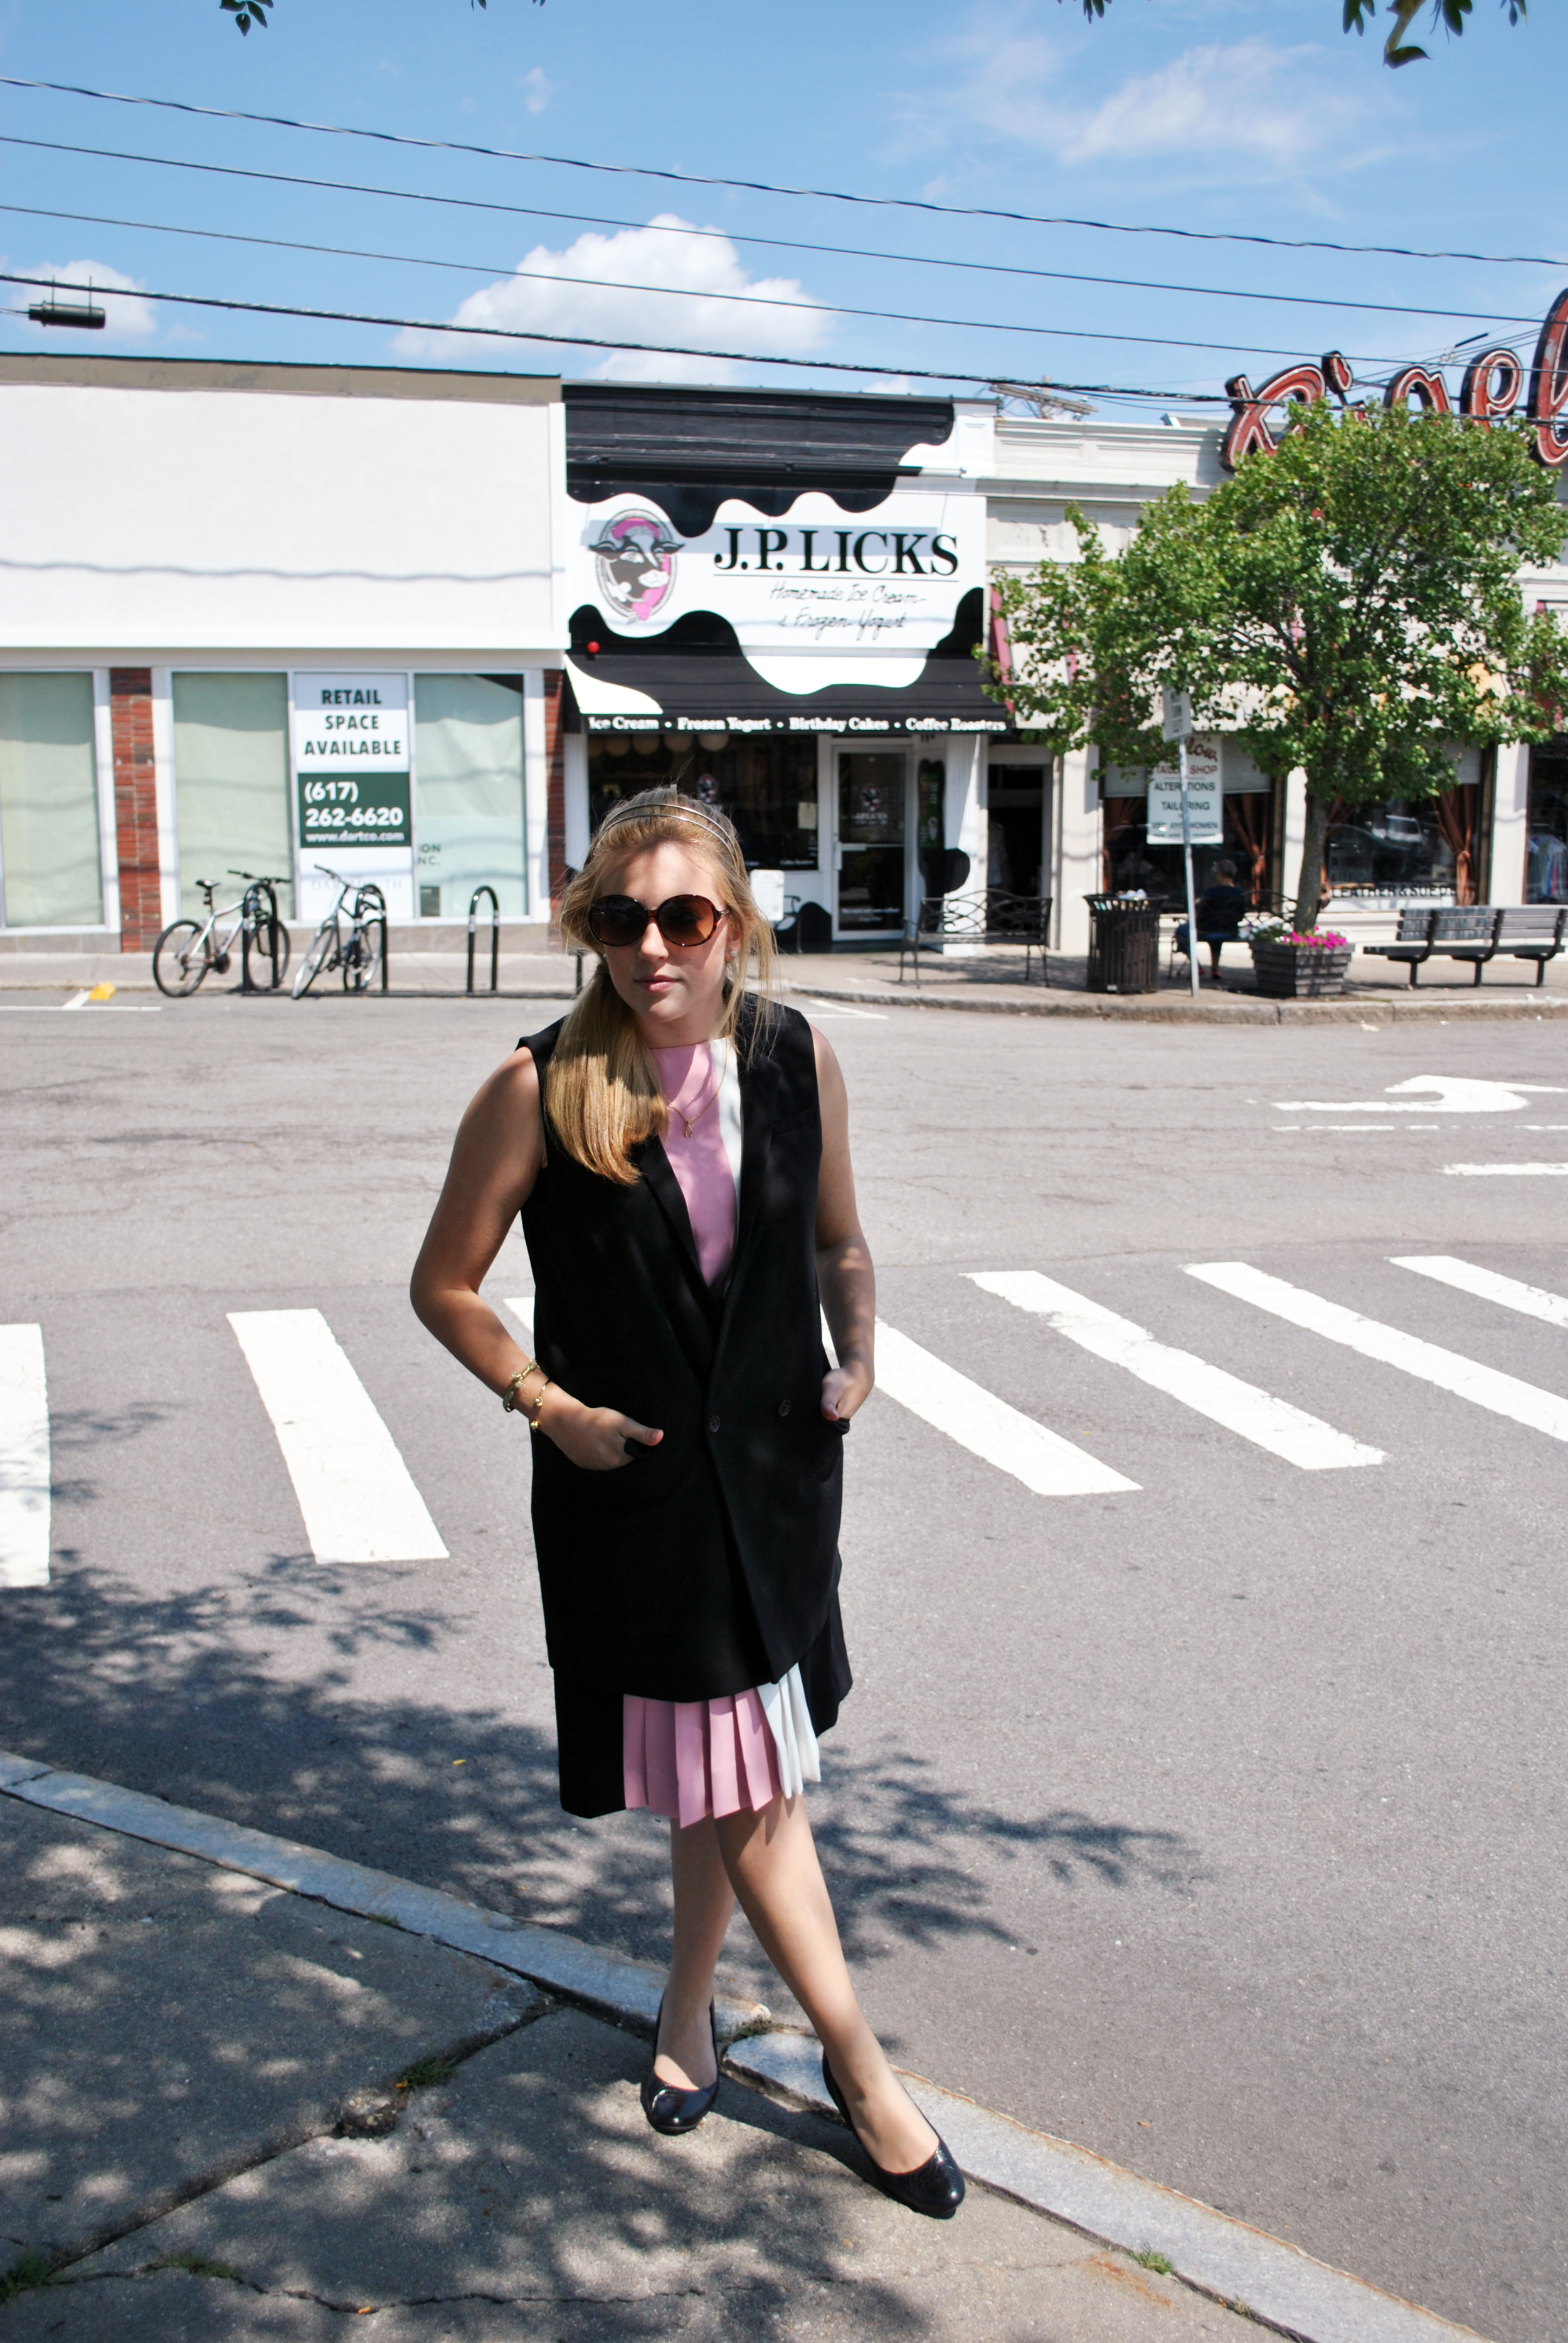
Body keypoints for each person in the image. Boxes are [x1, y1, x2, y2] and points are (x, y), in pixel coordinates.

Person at [410, 787, 964, 2221]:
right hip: (633, 1499)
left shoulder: (796, 1059)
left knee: (720, 1774)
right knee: (753, 1788)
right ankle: (861, 2066)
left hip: (778, 1487)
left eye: (684, 916)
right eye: (620, 918)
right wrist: (550, 1407)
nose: (651, 947)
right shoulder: (541, 1084)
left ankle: (683, 2006)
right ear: (590, 926)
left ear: (735, 927)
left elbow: (843, 1242)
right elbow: (444, 1285)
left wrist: (860, 1351)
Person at [1175, 858, 1250, 980]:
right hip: (1229, 931)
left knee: (1181, 932)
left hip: (1206, 930)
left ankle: (1196, 966)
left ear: (1219, 874)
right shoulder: (1240, 893)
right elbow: (1241, 915)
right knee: (1217, 933)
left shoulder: (1210, 892)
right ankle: (1215, 969)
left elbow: (1198, 913)